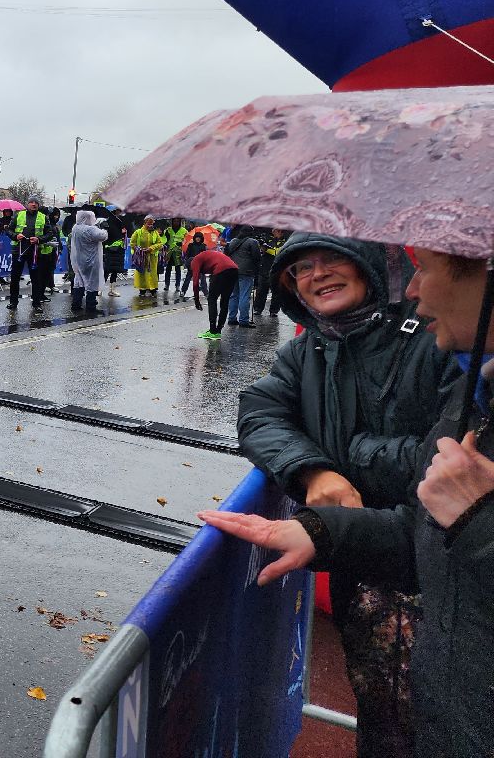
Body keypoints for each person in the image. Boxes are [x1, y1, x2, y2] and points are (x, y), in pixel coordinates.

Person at [201, 246, 494, 757]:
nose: (315, 276)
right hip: (371, 561)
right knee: (384, 718)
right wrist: (312, 470)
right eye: (300, 269)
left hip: (432, 590)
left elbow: (444, 472)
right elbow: (259, 410)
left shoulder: (440, 334)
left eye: (328, 260)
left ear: (365, 263)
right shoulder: (306, 349)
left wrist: (347, 452)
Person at [8, 200, 54, 314]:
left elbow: (50, 234)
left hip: (35, 252)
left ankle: (36, 303)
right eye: (31, 202)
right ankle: (13, 302)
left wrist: (39, 239)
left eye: (36, 203)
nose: (34, 204)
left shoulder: (43, 217)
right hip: (19, 250)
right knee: (15, 278)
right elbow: (8, 230)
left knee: (36, 279)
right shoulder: (19, 215)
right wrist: (15, 236)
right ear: (27, 204)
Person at [189, 243, 239, 340]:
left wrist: (196, 300)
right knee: (225, 301)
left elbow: (195, 282)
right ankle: (218, 331)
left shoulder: (194, 261)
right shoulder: (205, 255)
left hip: (221, 270)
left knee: (212, 299)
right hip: (234, 270)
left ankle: (212, 331)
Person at [67, 209, 107, 313]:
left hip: (78, 260)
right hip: (91, 260)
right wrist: (102, 228)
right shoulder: (91, 230)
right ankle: (91, 305)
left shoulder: (75, 228)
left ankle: (76, 304)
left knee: (79, 282)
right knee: (92, 283)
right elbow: (103, 236)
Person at [224, 225, 264, 327]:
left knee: (233, 295)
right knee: (244, 296)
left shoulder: (233, 241)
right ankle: (244, 320)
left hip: (233, 270)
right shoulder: (252, 242)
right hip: (246, 271)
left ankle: (232, 318)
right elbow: (256, 258)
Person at [253, 227, 289, 317]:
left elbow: (282, 252)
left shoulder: (286, 241)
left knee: (277, 292)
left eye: (280, 231)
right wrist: (262, 247)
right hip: (265, 268)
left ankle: (274, 310)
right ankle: (258, 309)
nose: (279, 232)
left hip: (278, 270)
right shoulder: (267, 239)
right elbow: (260, 248)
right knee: (261, 290)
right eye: (277, 231)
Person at [130, 216, 165, 302]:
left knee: (152, 273)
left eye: (152, 224)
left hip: (152, 257)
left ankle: (153, 289)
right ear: (145, 223)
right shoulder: (138, 232)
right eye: (149, 223)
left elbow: (160, 243)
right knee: (141, 273)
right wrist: (139, 250)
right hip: (141, 257)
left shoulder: (155, 233)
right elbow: (132, 243)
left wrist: (151, 248)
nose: (151, 225)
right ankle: (142, 289)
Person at [161, 217, 191, 304]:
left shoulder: (184, 231)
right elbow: (163, 239)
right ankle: (167, 284)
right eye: (174, 221)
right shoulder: (168, 230)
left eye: (178, 221)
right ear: (172, 221)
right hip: (169, 252)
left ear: (180, 222)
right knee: (168, 269)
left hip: (178, 252)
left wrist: (181, 243)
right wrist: (165, 238)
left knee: (178, 269)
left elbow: (188, 241)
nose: (176, 222)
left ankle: (177, 285)